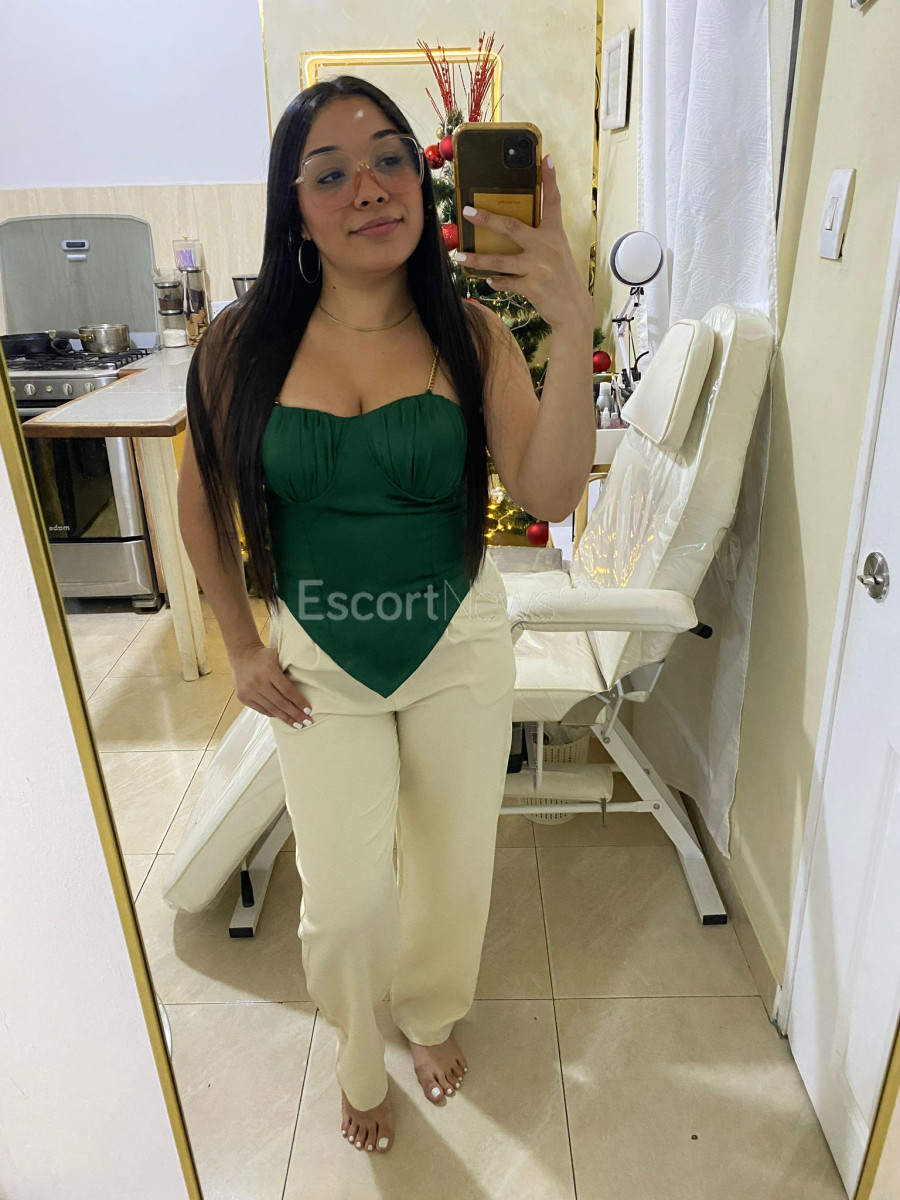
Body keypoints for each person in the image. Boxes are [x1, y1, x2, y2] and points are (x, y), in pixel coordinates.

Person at [177, 75, 595, 1155]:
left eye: (390, 159)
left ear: (424, 179)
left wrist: (571, 323)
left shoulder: (473, 335)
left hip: (458, 644)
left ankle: (432, 1017)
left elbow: (549, 492)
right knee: (347, 900)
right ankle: (359, 1057)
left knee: (452, 872)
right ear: (294, 208)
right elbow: (202, 501)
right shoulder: (239, 345)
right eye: (330, 173)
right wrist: (238, 646)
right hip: (318, 658)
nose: (368, 187)